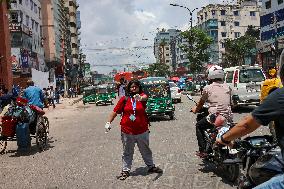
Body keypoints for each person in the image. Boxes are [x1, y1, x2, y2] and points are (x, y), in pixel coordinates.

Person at [216, 65, 284, 189]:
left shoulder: (277, 91)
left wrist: (224, 139)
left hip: (266, 113)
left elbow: (247, 124)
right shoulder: (272, 83)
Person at [105, 79, 162, 180]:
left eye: (136, 86)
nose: (134, 88)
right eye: (132, 86)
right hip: (127, 131)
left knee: (146, 150)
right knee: (127, 151)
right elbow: (115, 111)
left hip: (142, 131)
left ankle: (151, 167)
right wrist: (108, 122)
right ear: (129, 88)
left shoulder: (142, 96)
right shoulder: (124, 99)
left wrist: (139, 97)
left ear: (139, 88)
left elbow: (145, 97)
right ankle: (125, 170)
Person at [191, 65, 233, 158]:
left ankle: (203, 151)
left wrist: (195, 110)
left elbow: (200, 104)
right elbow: (231, 103)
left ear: (210, 75)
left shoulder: (207, 88)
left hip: (215, 117)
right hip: (228, 117)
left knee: (199, 126)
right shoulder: (228, 87)